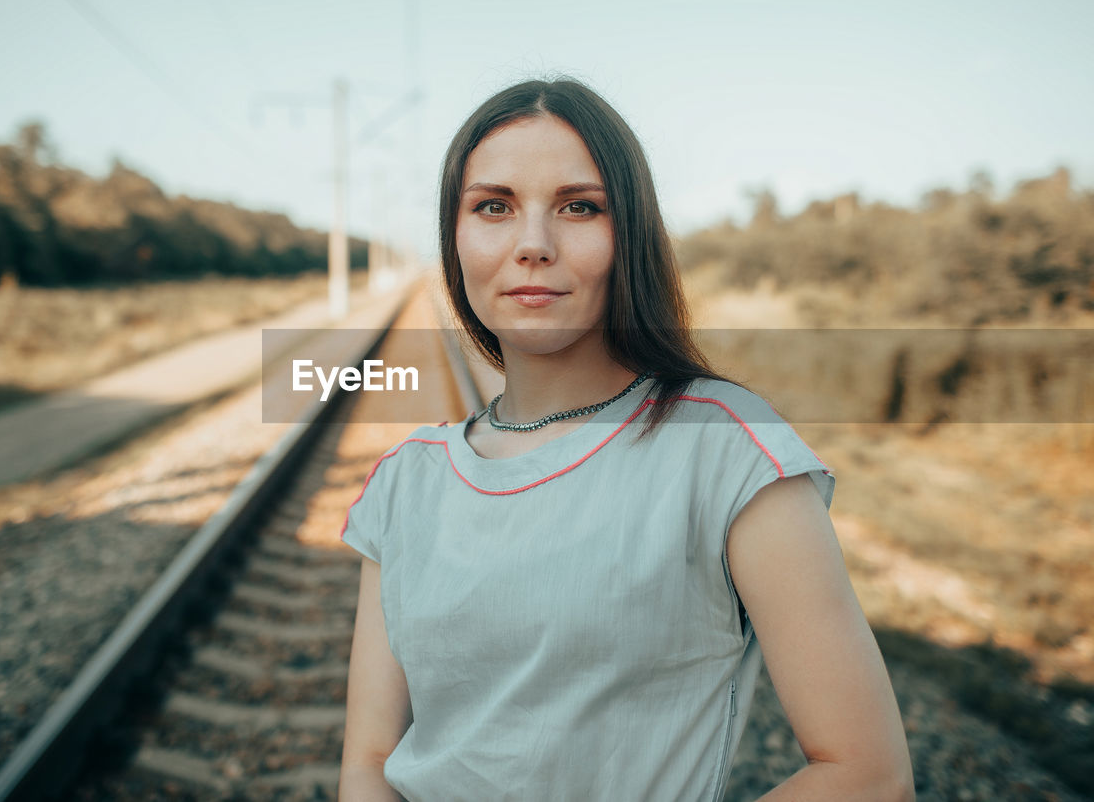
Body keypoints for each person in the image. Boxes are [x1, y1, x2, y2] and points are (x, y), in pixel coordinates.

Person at [337, 77, 914, 801]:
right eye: (494, 206)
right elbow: (370, 759)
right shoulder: (402, 483)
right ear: (454, 236)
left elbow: (869, 773)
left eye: (580, 207)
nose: (533, 245)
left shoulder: (726, 449)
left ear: (630, 231)